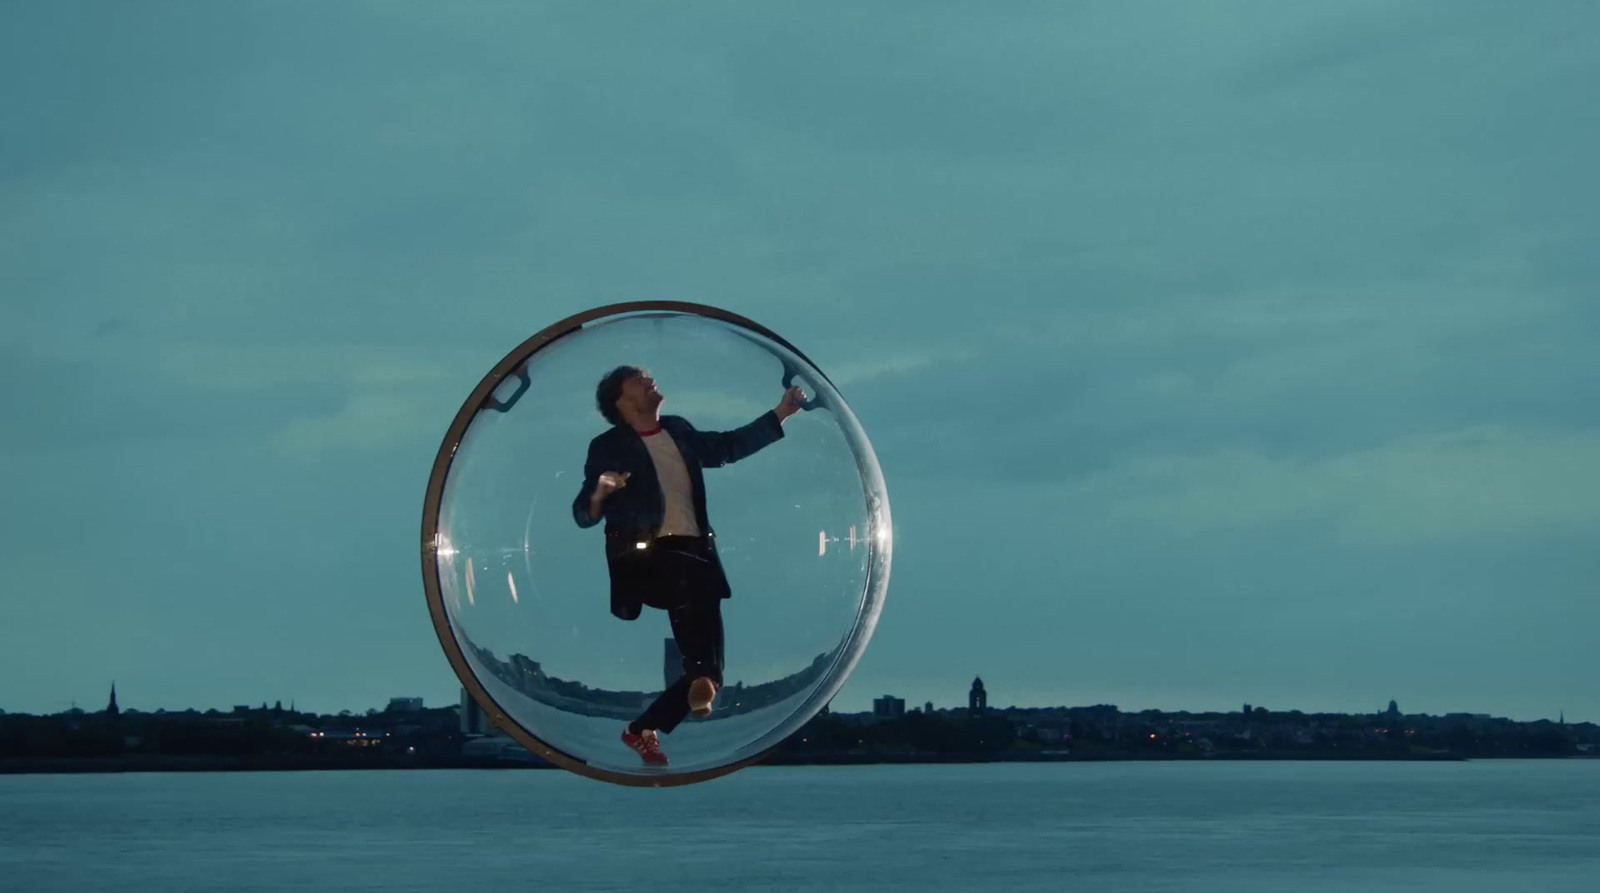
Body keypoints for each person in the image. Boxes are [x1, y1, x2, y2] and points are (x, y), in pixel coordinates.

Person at [572, 365, 805, 766]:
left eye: (650, 377)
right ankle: (696, 680)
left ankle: (643, 729)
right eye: (639, 381)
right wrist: (602, 490)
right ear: (621, 401)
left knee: (710, 669)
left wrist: (781, 412)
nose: (651, 382)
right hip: (647, 557)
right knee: (694, 598)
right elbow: (583, 513)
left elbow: (726, 447)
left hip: (696, 552)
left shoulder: (677, 430)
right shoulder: (608, 445)